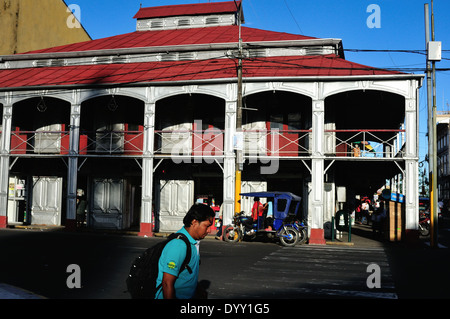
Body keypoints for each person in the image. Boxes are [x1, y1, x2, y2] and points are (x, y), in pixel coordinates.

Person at [155, 203, 215, 299]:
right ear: (194, 222)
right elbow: (167, 283)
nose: (209, 231)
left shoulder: (193, 243)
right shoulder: (178, 245)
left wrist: (199, 290)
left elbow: (189, 273)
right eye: (207, 226)